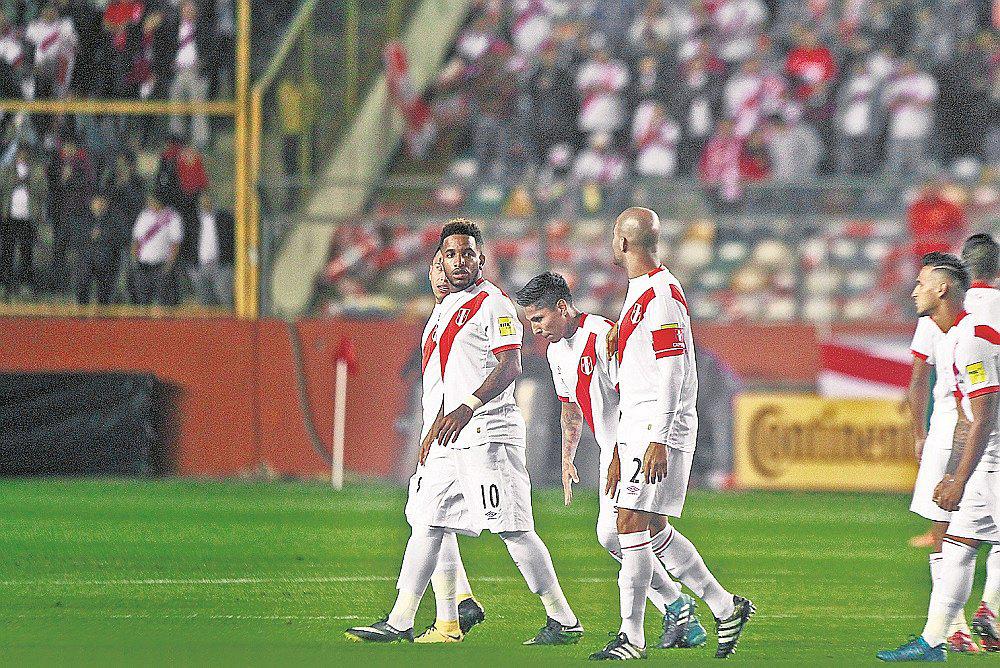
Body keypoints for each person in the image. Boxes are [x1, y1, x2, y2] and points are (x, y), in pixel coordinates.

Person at [346, 220, 582, 645]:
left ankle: (562, 618)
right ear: (440, 260)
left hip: (487, 435)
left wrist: (465, 407)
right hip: (447, 436)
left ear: (481, 259)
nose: (458, 263)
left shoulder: (493, 303)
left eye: (467, 255)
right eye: (450, 255)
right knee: (426, 520)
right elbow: (442, 379)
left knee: (514, 528)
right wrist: (432, 425)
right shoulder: (442, 311)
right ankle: (403, 621)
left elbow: (511, 365)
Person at [590, 208, 754, 660]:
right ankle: (725, 607)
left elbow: (673, 369)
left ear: (623, 243)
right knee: (653, 527)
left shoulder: (662, 295)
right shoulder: (640, 293)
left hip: (657, 426)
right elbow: (640, 369)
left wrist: (659, 437)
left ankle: (632, 637)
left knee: (629, 525)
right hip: (638, 425)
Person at [515, 271, 708, 651]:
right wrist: (566, 457)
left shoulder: (602, 337)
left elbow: (633, 394)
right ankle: (679, 605)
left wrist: (622, 451)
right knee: (617, 535)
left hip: (632, 443)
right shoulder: (556, 352)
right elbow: (570, 407)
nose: (535, 330)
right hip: (612, 449)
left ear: (562, 307)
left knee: (629, 531)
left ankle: (667, 615)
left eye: (538, 319)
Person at [877, 252, 999, 662]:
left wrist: (959, 479)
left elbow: (984, 418)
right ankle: (933, 641)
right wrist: (955, 472)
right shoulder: (953, 338)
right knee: (958, 546)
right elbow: (971, 418)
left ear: (942, 289)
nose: (914, 291)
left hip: (996, 460)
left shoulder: (974, 340)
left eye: (921, 283)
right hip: (986, 459)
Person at [399, 251, 486, 642]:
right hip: (440, 431)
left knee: (428, 516)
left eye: (448, 266)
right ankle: (457, 605)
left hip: (464, 434)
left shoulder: (467, 313)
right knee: (431, 516)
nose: (443, 274)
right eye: (436, 266)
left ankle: (423, 616)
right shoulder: (437, 318)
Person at [0, 146, 42, 299]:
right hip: (9, 217)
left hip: (27, 218)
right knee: (7, 253)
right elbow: (3, 187)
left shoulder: (36, 171)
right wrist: (14, 182)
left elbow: (42, 190)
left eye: (25, 154)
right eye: (20, 154)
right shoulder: (7, 169)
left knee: (26, 253)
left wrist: (29, 183)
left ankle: (26, 285)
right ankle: (6, 285)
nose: (22, 157)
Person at [130, 191, 182, 306]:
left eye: (152, 201)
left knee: (166, 304)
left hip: (162, 266)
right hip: (143, 266)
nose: (150, 203)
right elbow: (136, 240)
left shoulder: (172, 216)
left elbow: (176, 243)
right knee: (143, 303)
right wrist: (134, 259)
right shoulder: (143, 215)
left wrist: (169, 265)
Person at [184, 191, 234, 307]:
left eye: (208, 201)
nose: (205, 204)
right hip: (199, 268)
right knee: (205, 303)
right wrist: (191, 266)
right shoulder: (193, 220)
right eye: (203, 202)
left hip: (221, 267)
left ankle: (230, 325)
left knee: (225, 298)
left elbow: (232, 239)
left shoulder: (225, 218)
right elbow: (187, 243)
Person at [76, 193, 120, 305]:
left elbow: (121, 237)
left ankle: (103, 320)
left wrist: (103, 235)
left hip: (106, 262)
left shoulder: (114, 219)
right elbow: (75, 236)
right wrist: (89, 235)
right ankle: (82, 318)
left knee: (104, 295)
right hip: (86, 261)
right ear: (91, 204)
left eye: (102, 202)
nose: (99, 205)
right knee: (82, 289)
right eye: (97, 202)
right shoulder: (82, 218)